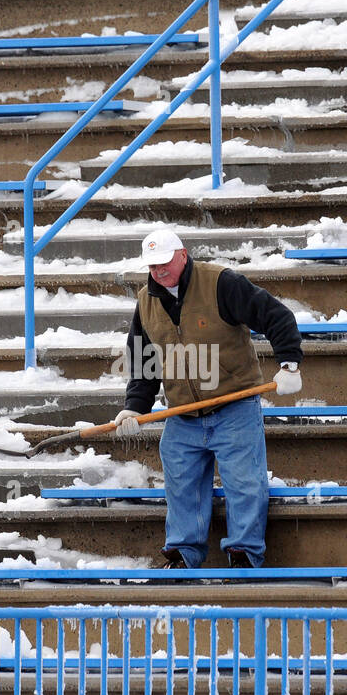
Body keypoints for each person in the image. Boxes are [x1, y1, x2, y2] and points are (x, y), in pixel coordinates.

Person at [112, 228, 303, 569]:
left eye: (165, 263)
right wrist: (134, 408)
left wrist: (288, 363)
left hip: (234, 404)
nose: (159, 271)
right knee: (182, 486)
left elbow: (276, 316)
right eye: (153, 265)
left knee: (245, 483)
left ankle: (244, 554)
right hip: (183, 413)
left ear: (182, 255)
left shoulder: (220, 283)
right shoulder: (146, 301)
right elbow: (143, 362)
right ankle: (184, 553)